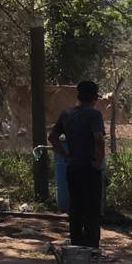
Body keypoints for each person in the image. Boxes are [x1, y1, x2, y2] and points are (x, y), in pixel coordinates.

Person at [48, 81, 106, 251]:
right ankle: (92, 249)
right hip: (90, 168)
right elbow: (99, 139)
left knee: (76, 208)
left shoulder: (67, 114)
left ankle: (77, 248)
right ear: (95, 97)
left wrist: (65, 155)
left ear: (78, 96)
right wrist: (98, 162)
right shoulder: (94, 115)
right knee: (92, 210)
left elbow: (52, 137)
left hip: (72, 168)